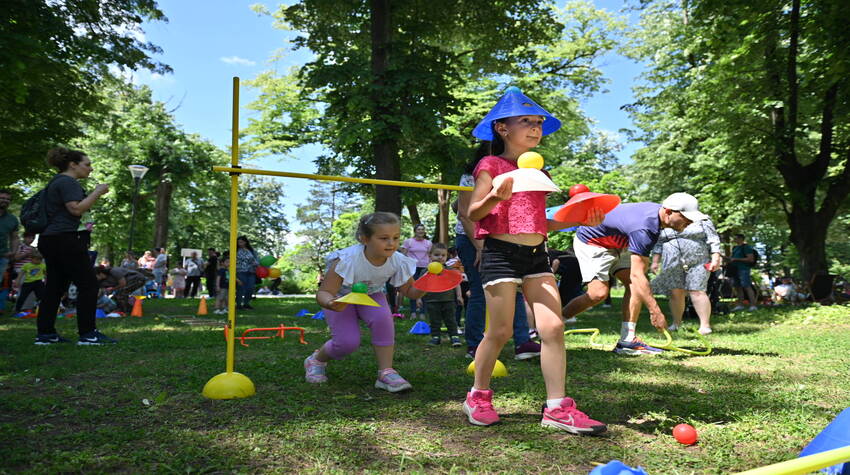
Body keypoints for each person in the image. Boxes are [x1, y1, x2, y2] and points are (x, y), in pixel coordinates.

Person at [463, 87, 606, 433]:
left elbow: (542, 221)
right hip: (501, 255)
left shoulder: (542, 174)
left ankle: (557, 408)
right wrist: (496, 195)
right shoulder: (491, 165)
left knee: (554, 328)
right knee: (498, 332)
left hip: (537, 256)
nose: (535, 128)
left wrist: (577, 219)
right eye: (525, 121)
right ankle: (478, 396)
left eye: (539, 122)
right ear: (501, 128)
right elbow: (473, 212)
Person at [563, 192, 702, 356]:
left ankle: (627, 341)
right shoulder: (645, 227)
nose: (690, 221)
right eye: (686, 217)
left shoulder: (655, 221)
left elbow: (638, 277)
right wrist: (655, 311)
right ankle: (556, 322)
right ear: (668, 211)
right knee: (598, 293)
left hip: (620, 243)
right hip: (593, 241)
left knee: (634, 285)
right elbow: (638, 275)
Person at [304, 212, 425, 392]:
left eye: (396, 238)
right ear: (365, 239)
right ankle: (316, 359)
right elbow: (325, 291)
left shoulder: (398, 260)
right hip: (341, 296)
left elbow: (410, 292)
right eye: (384, 238)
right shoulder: (347, 260)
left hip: (371, 294)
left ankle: (386, 372)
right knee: (347, 343)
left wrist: (431, 283)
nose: (391, 243)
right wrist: (330, 303)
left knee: (383, 320)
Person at [456, 143, 543, 361]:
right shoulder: (472, 176)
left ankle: (523, 342)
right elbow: (466, 215)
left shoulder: (520, 174)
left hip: (502, 238)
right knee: (478, 291)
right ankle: (475, 345)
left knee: (516, 289)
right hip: (472, 239)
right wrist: (480, 248)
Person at [35, 147, 115, 345]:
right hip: (66, 239)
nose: (91, 169)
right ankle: (88, 334)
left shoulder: (56, 182)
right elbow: (76, 209)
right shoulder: (67, 181)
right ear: (73, 165)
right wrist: (97, 192)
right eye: (87, 164)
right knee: (88, 285)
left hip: (50, 238)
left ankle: (46, 334)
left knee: (54, 287)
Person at [650, 218, 722, 335]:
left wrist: (716, 258)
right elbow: (659, 243)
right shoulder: (667, 220)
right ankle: (676, 323)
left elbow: (713, 239)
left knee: (697, 290)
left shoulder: (703, 220)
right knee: (675, 292)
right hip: (671, 262)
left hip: (699, 260)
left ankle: (705, 325)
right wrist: (655, 261)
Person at [423, 243, 463, 347]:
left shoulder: (450, 270)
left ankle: (454, 336)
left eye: (443, 255)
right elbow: (420, 285)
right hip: (432, 300)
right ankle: (435, 337)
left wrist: (459, 296)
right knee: (434, 320)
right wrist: (418, 298)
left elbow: (456, 284)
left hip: (448, 300)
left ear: (447, 256)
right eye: (436, 255)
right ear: (430, 255)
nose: (440, 257)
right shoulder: (426, 271)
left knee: (451, 319)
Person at [400, 223, 432, 320]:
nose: (421, 231)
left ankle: (422, 312)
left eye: (422, 229)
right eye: (419, 229)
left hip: (425, 268)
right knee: (413, 289)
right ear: (415, 231)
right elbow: (403, 255)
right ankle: (413, 312)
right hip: (412, 268)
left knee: (424, 290)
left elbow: (431, 255)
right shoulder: (408, 242)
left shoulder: (428, 243)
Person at [728, 234, 758, 311]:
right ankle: (740, 305)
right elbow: (732, 258)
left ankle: (753, 305)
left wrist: (736, 259)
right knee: (737, 287)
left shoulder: (746, 247)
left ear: (741, 239)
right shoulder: (735, 248)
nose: (734, 239)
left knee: (747, 286)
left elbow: (750, 259)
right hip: (735, 269)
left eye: (736, 238)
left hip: (743, 269)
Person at [0, 190, 20, 291]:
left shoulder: (12, 219)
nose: (5, 200)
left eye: (8, 199)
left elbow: (15, 237)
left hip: (2, 257)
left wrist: (13, 252)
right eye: (2, 198)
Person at [235, 236, 259, 309]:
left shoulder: (250, 250)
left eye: (241, 242)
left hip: (251, 272)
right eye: (238, 242)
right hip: (241, 271)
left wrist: (256, 264)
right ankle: (239, 305)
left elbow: (256, 260)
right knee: (241, 288)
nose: (239, 243)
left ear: (245, 242)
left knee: (250, 288)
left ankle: (246, 303)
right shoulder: (236, 250)